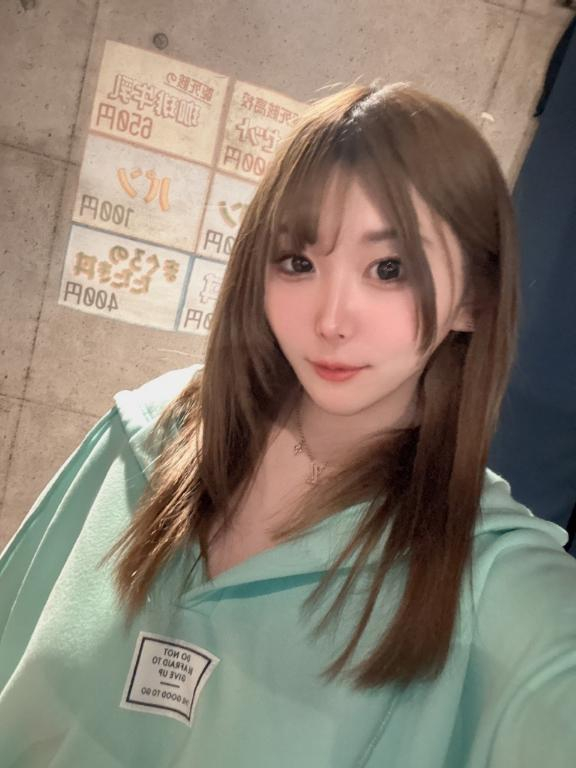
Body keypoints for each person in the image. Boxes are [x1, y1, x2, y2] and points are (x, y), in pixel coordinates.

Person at [0, 82, 575, 768]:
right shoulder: (146, 433)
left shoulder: (492, 577)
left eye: (388, 269)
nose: (330, 319)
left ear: (474, 298)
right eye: (298, 262)